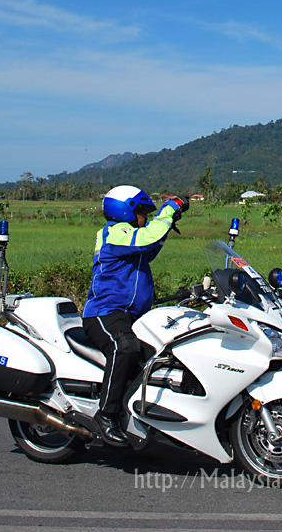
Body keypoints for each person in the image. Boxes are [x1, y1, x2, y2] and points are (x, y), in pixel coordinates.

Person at [82, 185, 189, 446]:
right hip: (105, 313)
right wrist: (169, 209)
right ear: (126, 212)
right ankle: (105, 415)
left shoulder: (129, 239)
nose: (145, 218)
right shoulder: (114, 234)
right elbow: (148, 238)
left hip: (131, 315)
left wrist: (167, 221)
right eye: (142, 213)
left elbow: (150, 246)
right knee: (124, 347)